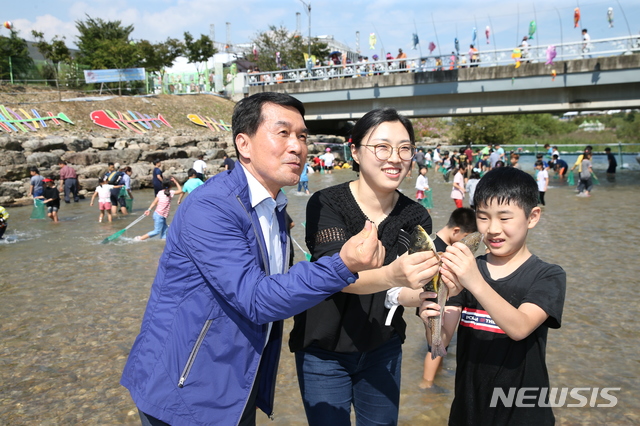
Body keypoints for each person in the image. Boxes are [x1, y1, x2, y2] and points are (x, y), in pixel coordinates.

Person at [121, 92, 403, 426]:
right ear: (244, 143)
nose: (297, 146)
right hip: (184, 387)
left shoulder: (274, 209)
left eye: (302, 136)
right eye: (282, 133)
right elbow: (256, 298)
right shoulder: (211, 208)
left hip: (234, 385)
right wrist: (343, 264)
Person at [289, 108, 442, 426]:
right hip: (323, 350)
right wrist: (392, 274)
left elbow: (401, 291)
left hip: (382, 348)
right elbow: (335, 275)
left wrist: (425, 300)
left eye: (404, 148)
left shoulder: (417, 217)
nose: (395, 158)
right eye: (382, 147)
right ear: (355, 151)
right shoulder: (326, 203)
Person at [422, 167, 566, 425]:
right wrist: (431, 313)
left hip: (524, 415)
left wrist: (473, 281)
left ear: (532, 217)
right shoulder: (466, 271)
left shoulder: (547, 276)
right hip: (468, 412)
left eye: (505, 218)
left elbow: (520, 327)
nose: (493, 229)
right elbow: (440, 342)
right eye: (483, 217)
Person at [419, 207, 477, 389]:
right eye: (465, 238)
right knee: (436, 342)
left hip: (427, 299)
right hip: (438, 299)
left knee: (438, 340)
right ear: (456, 231)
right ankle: (426, 383)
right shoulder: (440, 250)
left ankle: (438, 371)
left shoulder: (433, 242)